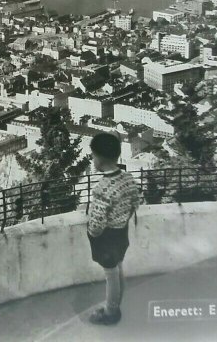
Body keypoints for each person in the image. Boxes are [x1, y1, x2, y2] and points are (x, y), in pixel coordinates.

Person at [86, 132, 141, 325]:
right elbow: (136, 201)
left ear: (99, 158)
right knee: (118, 269)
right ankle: (115, 305)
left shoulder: (103, 187)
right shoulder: (127, 178)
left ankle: (110, 313)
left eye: (93, 156)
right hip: (121, 232)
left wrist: (92, 233)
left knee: (111, 274)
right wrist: (123, 218)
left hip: (107, 237)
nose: (93, 159)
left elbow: (97, 222)